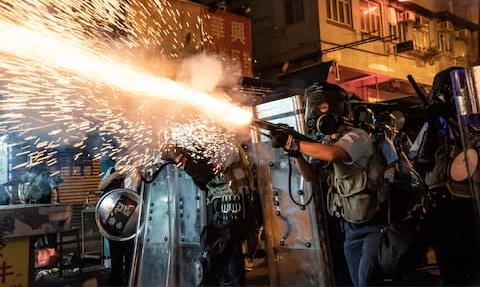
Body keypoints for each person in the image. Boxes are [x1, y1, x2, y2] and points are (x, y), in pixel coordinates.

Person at [269, 83, 397, 286]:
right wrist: (294, 153)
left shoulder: (357, 136)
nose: (319, 111)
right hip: (349, 226)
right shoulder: (327, 141)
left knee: (366, 281)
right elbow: (309, 175)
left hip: (375, 224)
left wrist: (296, 143)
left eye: (323, 106)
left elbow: (333, 154)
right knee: (356, 280)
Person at [410, 67, 480, 285]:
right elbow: (421, 163)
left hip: (472, 204)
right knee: (452, 274)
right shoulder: (435, 124)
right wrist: (432, 124)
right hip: (443, 209)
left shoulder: (473, 123)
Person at [162, 136, 257, 286]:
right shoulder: (211, 151)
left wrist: (179, 158)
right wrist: (185, 158)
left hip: (234, 210)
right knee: (218, 262)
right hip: (223, 211)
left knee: (222, 264)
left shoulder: (228, 146)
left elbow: (207, 174)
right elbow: (203, 181)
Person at [98, 155, 140, 287]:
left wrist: (131, 172)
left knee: (129, 252)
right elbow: (100, 186)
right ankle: (115, 280)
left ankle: (129, 279)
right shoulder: (110, 170)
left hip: (129, 214)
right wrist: (114, 175)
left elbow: (136, 188)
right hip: (112, 215)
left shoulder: (134, 170)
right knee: (115, 251)